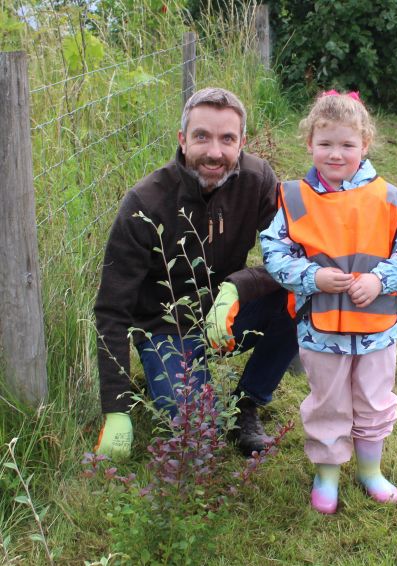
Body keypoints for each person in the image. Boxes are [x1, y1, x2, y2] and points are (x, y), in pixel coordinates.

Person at [94, 87, 298, 460]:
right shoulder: (144, 202)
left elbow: (292, 256)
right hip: (166, 326)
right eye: (202, 136)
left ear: (242, 143)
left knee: (299, 297)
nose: (214, 152)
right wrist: (116, 408)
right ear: (182, 140)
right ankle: (175, 379)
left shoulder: (258, 179)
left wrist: (237, 288)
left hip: (227, 314)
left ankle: (246, 406)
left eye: (227, 139)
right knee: (198, 438)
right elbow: (111, 310)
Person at [260, 91, 397, 514]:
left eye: (347, 145)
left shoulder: (390, 198)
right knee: (328, 403)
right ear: (309, 143)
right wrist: (311, 277)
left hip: (378, 330)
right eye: (326, 143)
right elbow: (274, 254)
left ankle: (371, 471)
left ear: (365, 145)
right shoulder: (294, 197)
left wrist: (380, 278)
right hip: (320, 330)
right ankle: (327, 474)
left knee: (374, 400)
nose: (336, 154)